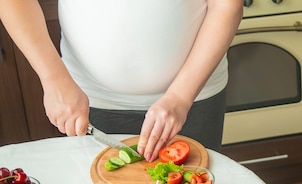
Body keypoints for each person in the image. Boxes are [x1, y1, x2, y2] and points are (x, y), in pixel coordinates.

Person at [0, 0, 243, 162]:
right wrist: (53, 79)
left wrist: (180, 96)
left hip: (195, 98)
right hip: (88, 100)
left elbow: (226, 5)